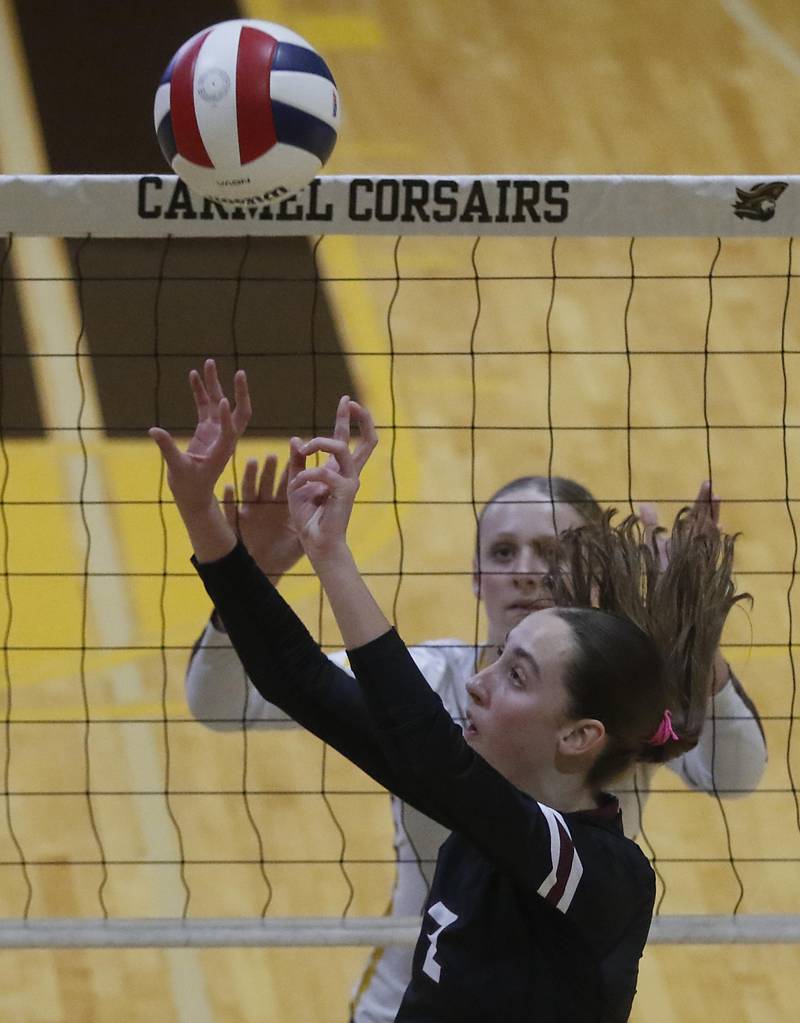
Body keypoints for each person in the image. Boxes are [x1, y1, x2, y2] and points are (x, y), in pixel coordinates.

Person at [149, 361, 746, 1022]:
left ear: (578, 736)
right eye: (505, 552)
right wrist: (205, 518)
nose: (478, 683)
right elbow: (300, 679)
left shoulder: (603, 875)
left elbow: (438, 756)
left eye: (516, 674)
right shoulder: (465, 807)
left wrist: (335, 556)